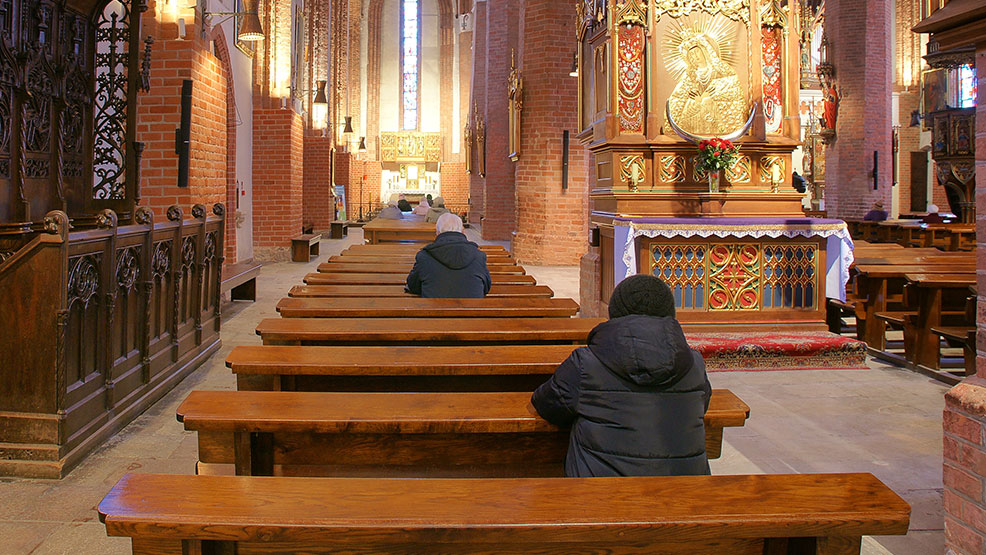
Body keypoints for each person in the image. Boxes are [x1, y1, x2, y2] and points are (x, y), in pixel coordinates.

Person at [531, 274, 712, 478]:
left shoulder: (586, 364)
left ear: (613, 313)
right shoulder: (694, 364)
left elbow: (546, 405)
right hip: (685, 498)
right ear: (670, 314)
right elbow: (701, 404)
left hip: (602, 499)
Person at [405, 213, 491, 298]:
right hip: (472, 311)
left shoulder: (424, 256)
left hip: (434, 311)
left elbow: (413, 286)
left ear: (437, 233)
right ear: (463, 231)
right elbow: (486, 287)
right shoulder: (479, 256)